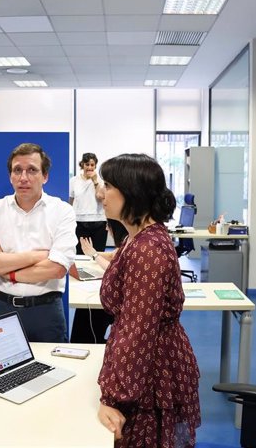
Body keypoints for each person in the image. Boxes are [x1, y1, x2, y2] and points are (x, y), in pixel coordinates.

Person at [96, 154, 201, 447]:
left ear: (132, 193)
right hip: (147, 367)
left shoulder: (147, 250)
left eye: (108, 186)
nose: (102, 194)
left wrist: (113, 397)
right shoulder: (138, 238)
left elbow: (137, 330)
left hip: (150, 374)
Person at [0, 143, 77, 342]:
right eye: (17, 170)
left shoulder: (62, 211)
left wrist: (5, 268)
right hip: (1, 308)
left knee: (51, 370)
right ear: (10, 176)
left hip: (45, 312)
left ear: (45, 176)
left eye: (32, 170)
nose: (23, 178)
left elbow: (57, 269)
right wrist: (36, 256)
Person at [69, 219, 128, 344]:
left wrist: (95, 256)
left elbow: (115, 271)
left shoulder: (132, 242)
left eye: (108, 225)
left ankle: (84, 343)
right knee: (84, 310)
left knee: (86, 313)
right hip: (118, 297)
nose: (106, 229)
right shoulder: (127, 240)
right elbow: (113, 256)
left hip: (121, 301)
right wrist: (91, 253)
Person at [69, 152, 106, 255]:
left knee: (98, 253)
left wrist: (95, 181)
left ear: (95, 166)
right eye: (87, 164)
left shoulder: (100, 181)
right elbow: (71, 200)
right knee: (80, 253)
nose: (89, 167)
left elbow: (100, 196)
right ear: (82, 165)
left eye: (92, 165)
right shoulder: (74, 180)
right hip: (80, 221)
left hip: (98, 221)